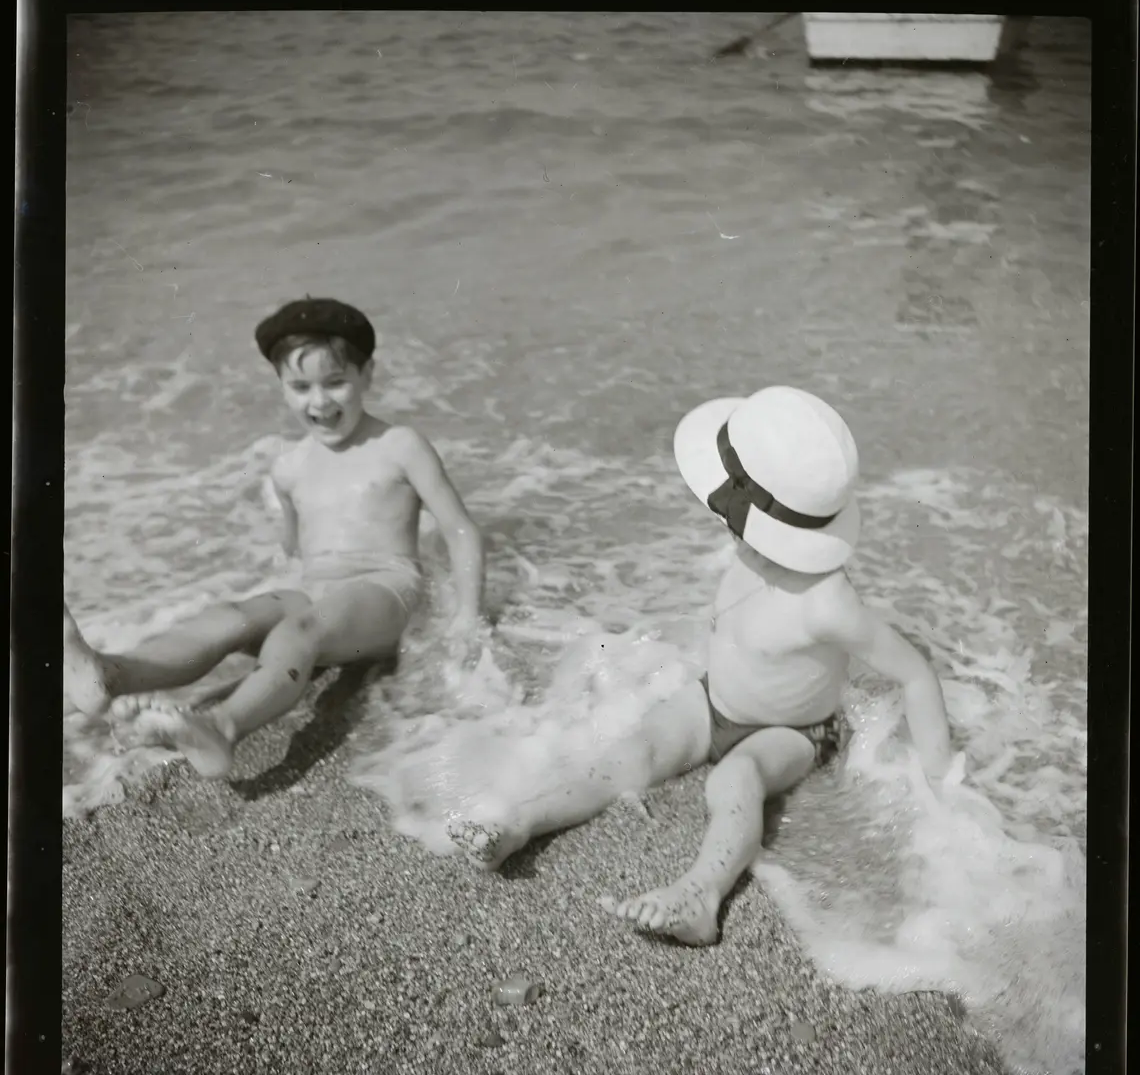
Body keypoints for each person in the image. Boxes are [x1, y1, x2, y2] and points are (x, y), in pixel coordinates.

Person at [441, 387, 953, 946]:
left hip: (791, 731)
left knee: (736, 779)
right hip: (713, 700)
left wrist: (942, 789)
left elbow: (915, 674)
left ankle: (701, 895)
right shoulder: (754, 550)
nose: (722, 517)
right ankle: (521, 822)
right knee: (631, 751)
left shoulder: (828, 603)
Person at [63, 297, 487, 779]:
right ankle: (111, 674)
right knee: (228, 618)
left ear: (367, 374)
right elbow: (293, 550)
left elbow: (461, 529)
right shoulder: (289, 467)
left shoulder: (399, 445)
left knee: (297, 631)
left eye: (335, 382)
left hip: (386, 587)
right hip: (316, 590)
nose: (319, 402)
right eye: (301, 387)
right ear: (282, 386)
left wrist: (467, 617)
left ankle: (222, 727)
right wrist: (265, 604)